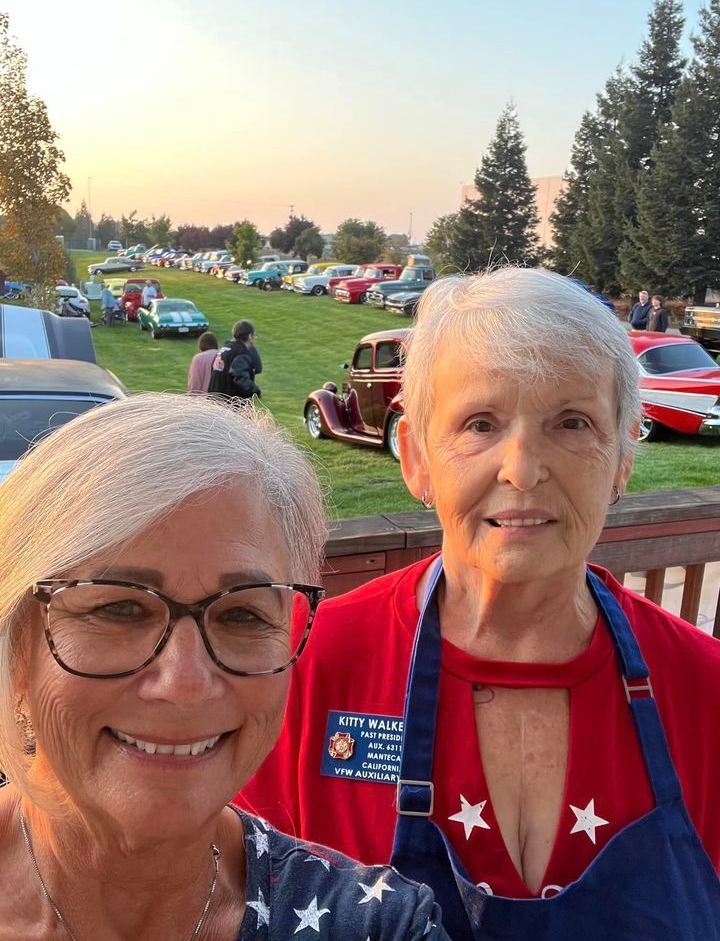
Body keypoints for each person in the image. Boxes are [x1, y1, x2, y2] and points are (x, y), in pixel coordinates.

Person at [238, 269, 720, 939]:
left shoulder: (706, 688)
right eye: (481, 423)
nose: (522, 468)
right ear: (416, 458)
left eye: (573, 421)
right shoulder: (305, 661)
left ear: (622, 458)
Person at [0, 394, 448, 940]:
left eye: (241, 613)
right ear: (18, 645)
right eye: (118, 608)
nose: (185, 683)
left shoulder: (378, 926)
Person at [208, 320, 262, 401]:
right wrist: (255, 391)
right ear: (250, 336)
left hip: (215, 401)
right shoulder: (241, 352)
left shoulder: (223, 350)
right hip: (230, 404)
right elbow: (239, 377)